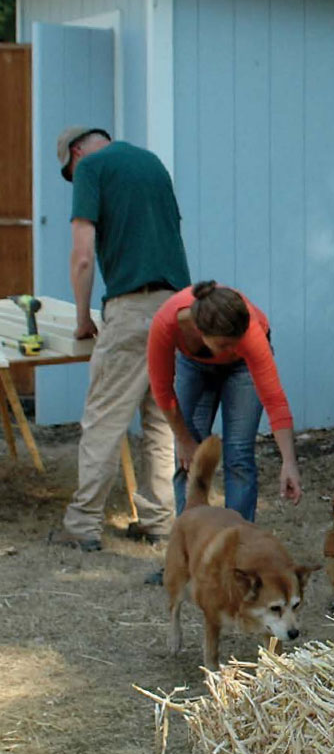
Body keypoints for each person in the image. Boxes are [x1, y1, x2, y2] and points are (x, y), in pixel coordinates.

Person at [49, 126, 191, 551]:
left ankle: (83, 525)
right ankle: (160, 519)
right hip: (180, 307)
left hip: (132, 307)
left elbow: (83, 254)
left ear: (76, 153)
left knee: (104, 417)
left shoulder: (91, 168)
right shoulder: (152, 164)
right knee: (159, 418)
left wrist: (82, 318)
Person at [147, 280, 302, 519]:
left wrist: (289, 462)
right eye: (225, 344)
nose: (233, 348)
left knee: (238, 454)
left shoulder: (248, 333)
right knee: (187, 458)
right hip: (194, 365)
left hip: (243, 369)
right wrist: (184, 439)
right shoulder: (166, 323)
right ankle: (190, 537)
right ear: (200, 330)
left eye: (237, 342)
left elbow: (275, 400)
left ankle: (239, 540)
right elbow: (163, 392)